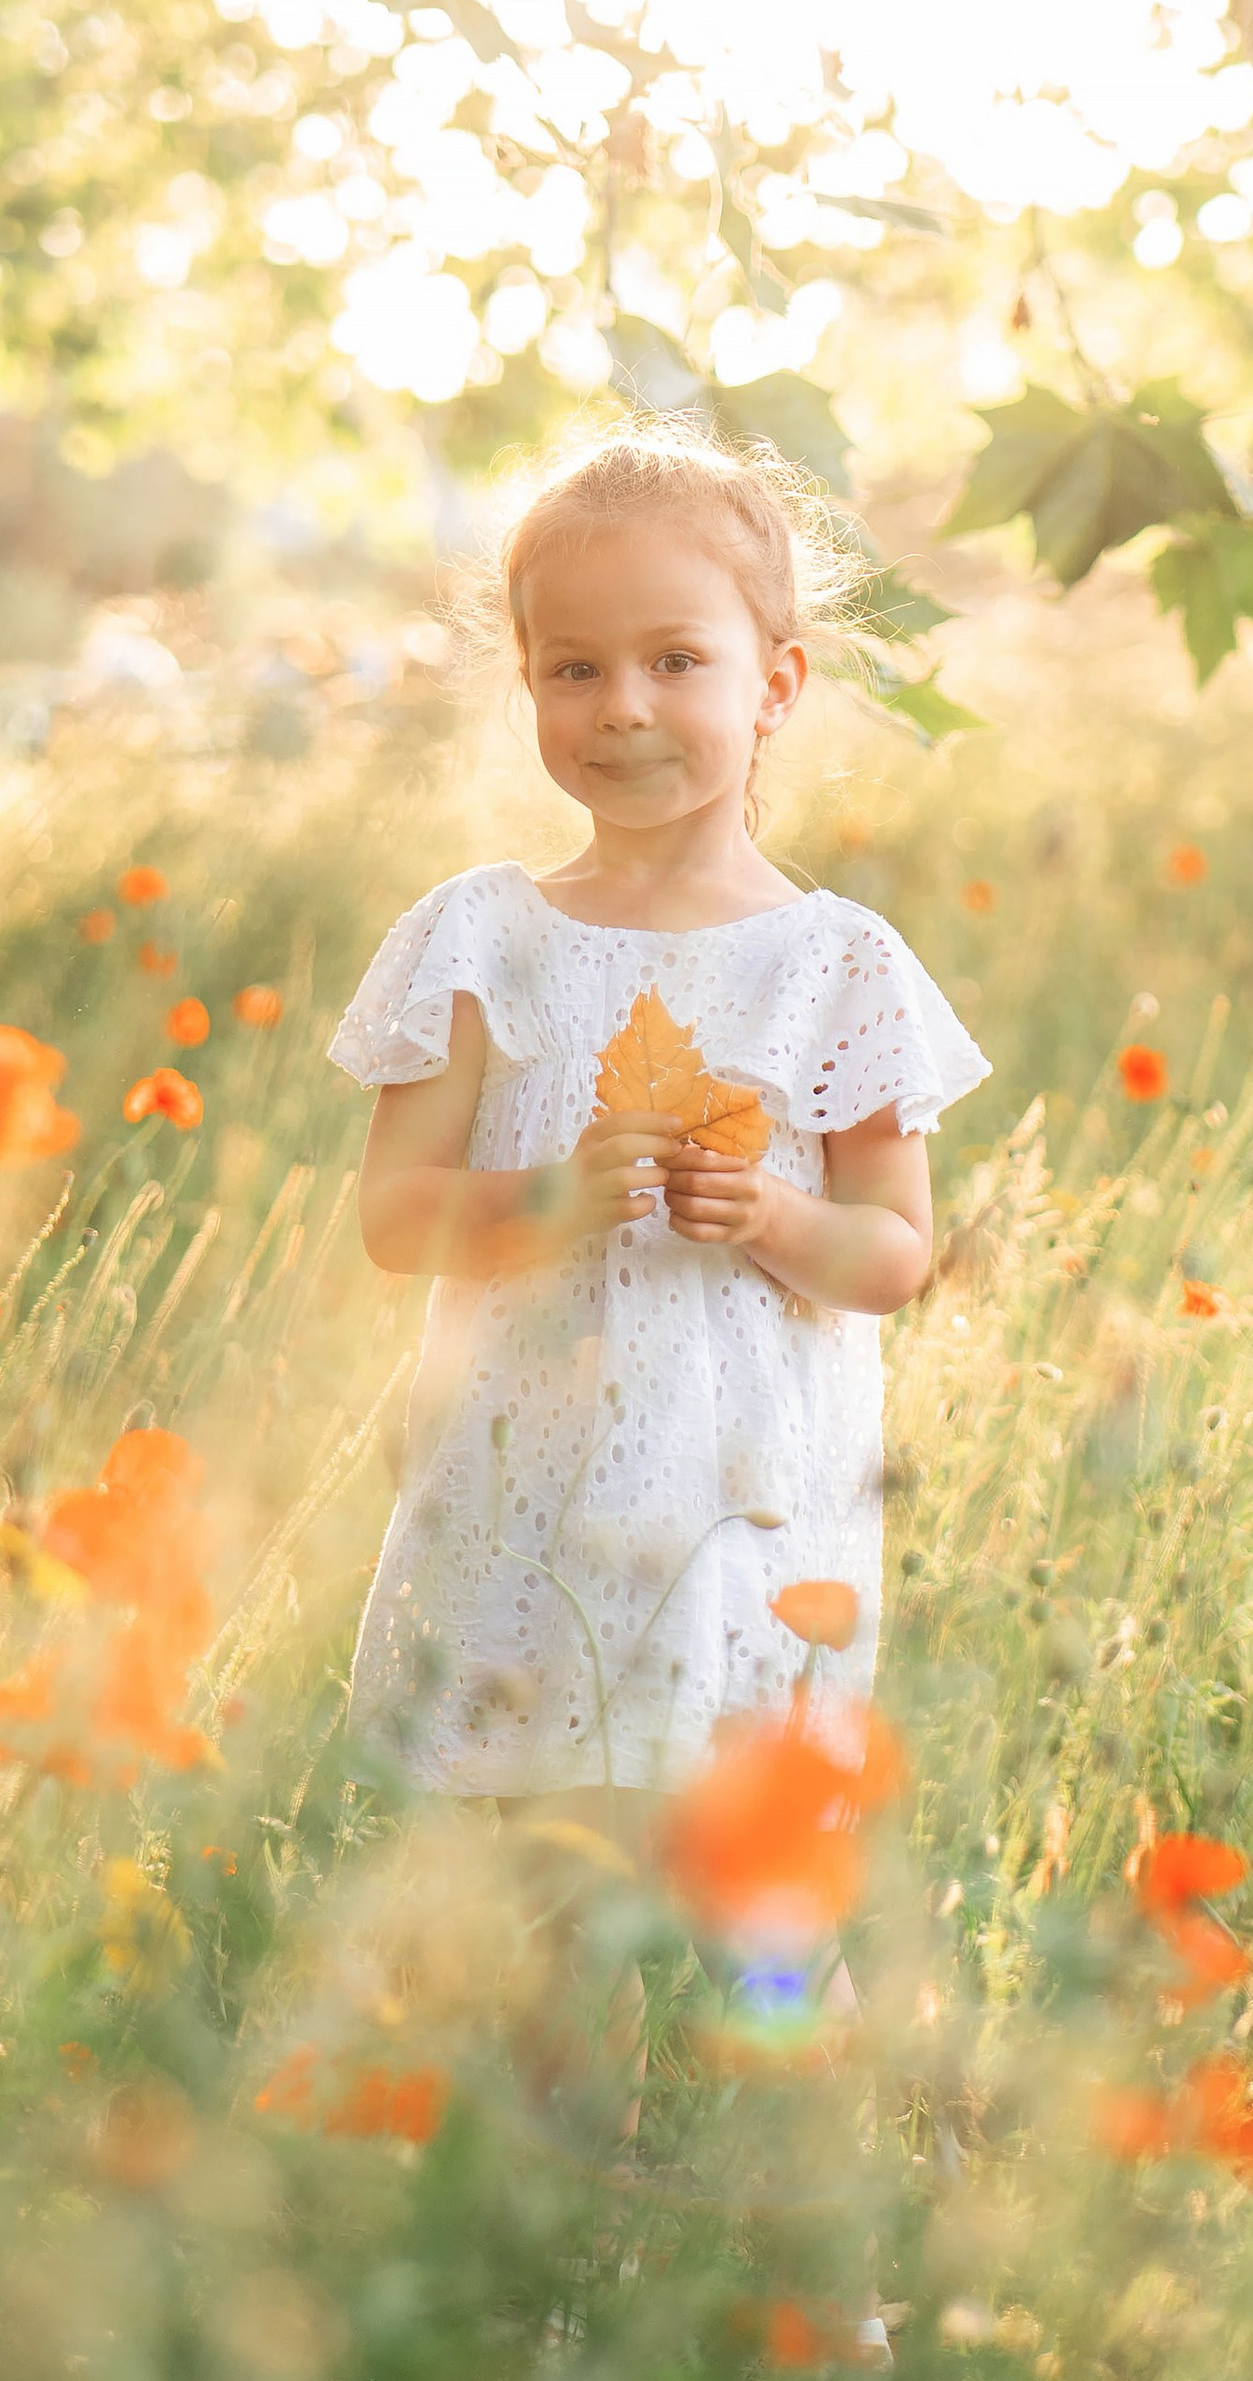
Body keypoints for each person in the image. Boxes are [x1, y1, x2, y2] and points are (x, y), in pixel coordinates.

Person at [329, 426, 988, 1837]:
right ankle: (557, 2055)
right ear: (528, 685)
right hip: (524, 1500)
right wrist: (545, 1201)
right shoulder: (480, 939)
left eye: (677, 660)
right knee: (541, 1868)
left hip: (742, 1505)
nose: (623, 703)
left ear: (777, 685)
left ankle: (793, 2056)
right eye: (576, 666)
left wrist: (775, 1218)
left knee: (731, 1861)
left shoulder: (837, 963)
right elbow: (395, 1216)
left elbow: (894, 1250)